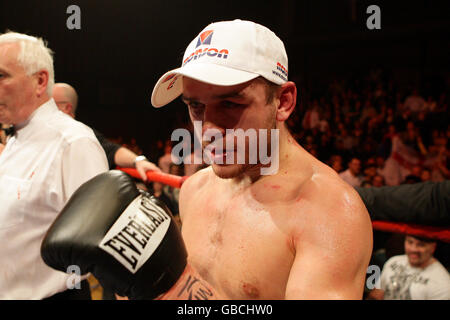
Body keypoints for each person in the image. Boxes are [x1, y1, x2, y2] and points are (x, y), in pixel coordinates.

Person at [149, 19, 373, 299]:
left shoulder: (329, 211)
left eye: (230, 104)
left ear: (283, 102)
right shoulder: (194, 190)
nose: (208, 130)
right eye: (196, 106)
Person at [0, 32, 108, 299]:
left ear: (40, 80)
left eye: (1, 76)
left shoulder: (74, 143)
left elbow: (102, 244)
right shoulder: (16, 139)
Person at [52, 83, 160, 181]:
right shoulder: (41, 131)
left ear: (67, 107)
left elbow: (112, 150)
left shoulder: (83, 135)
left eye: (51, 104)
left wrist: (138, 160)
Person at [367, 235, 450, 300]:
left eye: (421, 245)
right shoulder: (393, 261)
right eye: (410, 242)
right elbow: (377, 294)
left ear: (433, 247)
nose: (413, 249)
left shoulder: (442, 283)